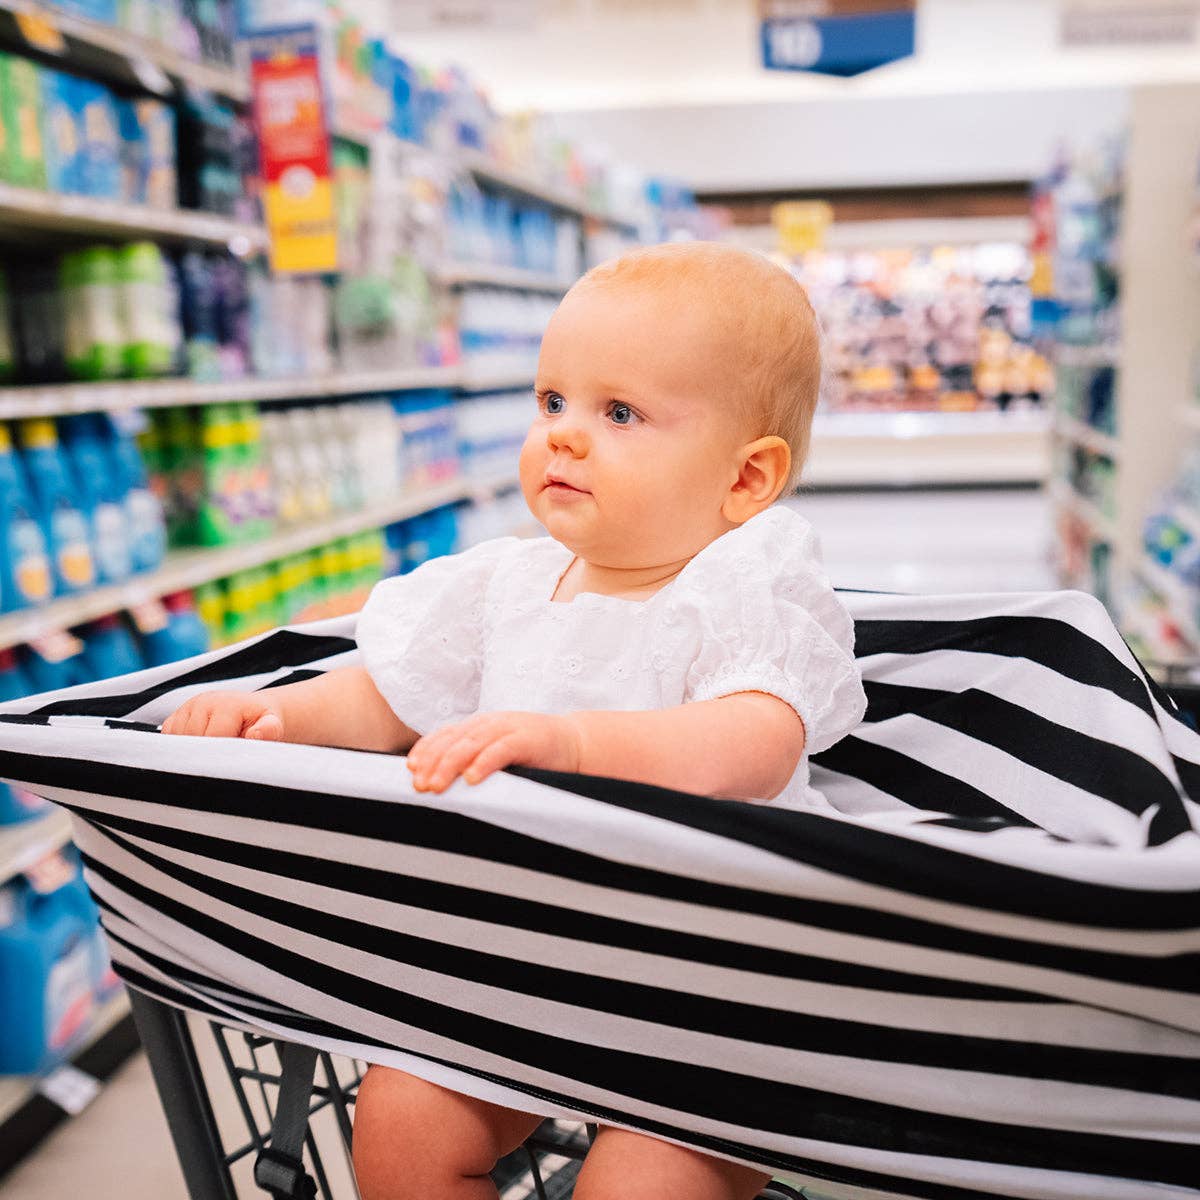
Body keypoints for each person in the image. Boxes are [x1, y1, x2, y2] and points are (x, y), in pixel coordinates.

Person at [162, 241, 867, 1200]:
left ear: (746, 481)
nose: (566, 436)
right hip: (525, 954)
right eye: (552, 402)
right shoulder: (505, 582)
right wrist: (277, 715)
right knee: (399, 1133)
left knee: (641, 1186)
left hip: (709, 978)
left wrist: (575, 745)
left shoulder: (746, 583)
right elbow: (393, 696)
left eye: (619, 413)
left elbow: (756, 739)